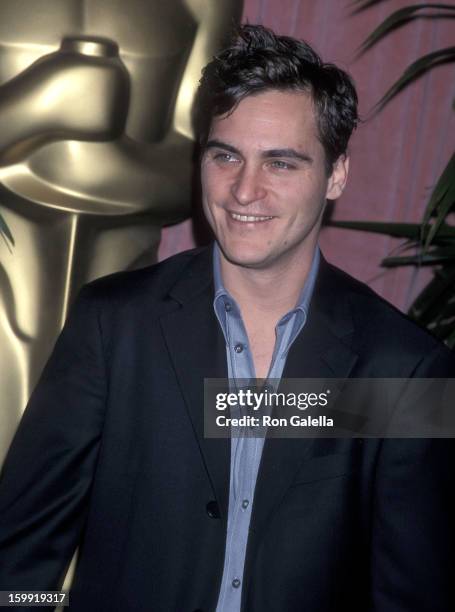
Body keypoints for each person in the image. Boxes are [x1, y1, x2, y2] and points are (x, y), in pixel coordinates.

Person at [0, 24, 453, 612]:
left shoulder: (405, 370)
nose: (244, 190)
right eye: (226, 155)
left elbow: (412, 594)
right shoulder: (114, 328)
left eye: (281, 164)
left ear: (337, 173)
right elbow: (20, 557)